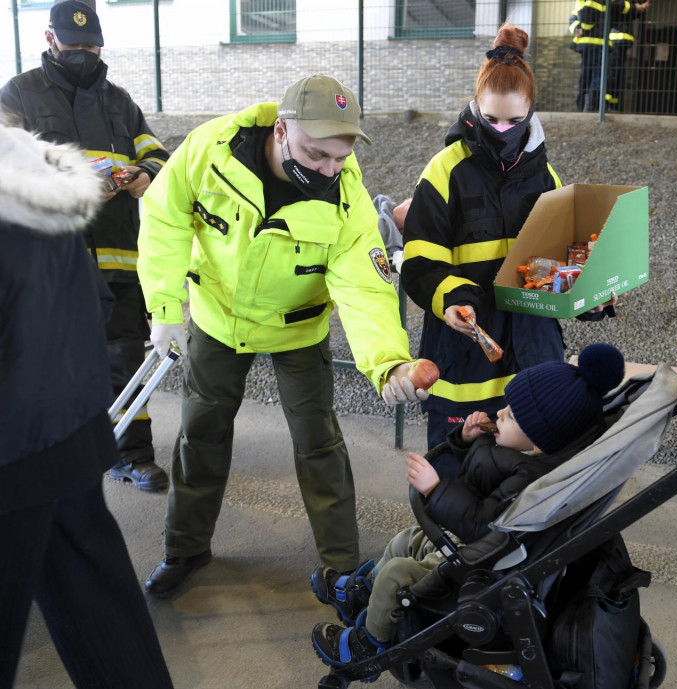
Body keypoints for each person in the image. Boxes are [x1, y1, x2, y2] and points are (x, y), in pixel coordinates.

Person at [136, 73, 429, 600]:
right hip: (217, 319)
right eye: (317, 155)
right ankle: (184, 548)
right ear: (280, 129)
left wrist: (388, 364)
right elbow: (164, 218)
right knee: (200, 433)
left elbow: (365, 286)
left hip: (298, 328)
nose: (328, 171)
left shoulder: (348, 202)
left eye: (339, 160)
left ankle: (342, 569)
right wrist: (163, 308)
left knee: (319, 442)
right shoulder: (210, 150)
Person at [307, 343, 626, 669]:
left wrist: (435, 489)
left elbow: (479, 522)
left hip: (479, 563)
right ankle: (363, 594)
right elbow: (479, 477)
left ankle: (368, 648)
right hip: (469, 543)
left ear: (540, 439)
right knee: (406, 539)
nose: (500, 413)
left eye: (512, 415)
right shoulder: (522, 452)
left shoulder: (530, 479)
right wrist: (465, 439)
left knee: (397, 575)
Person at [0, 124, 175, 689]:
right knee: (99, 606)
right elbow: (94, 300)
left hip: (13, 444)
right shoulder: (25, 166)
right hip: (69, 425)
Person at [402, 24, 614, 451]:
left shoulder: (547, 177)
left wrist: (594, 295)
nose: (502, 130)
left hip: (532, 358)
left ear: (532, 111)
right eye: (491, 118)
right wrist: (450, 300)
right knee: (455, 470)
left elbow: (561, 269)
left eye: (515, 121)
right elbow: (420, 262)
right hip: (465, 352)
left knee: (524, 479)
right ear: (475, 107)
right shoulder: (444, 170)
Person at [0, 0, 171, 492]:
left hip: (119, 255)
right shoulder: (19, 94)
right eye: (73, 46)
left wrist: (144, 175)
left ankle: (132, 455)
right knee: (53, 357)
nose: (82, 54)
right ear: (50, 39)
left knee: (126, 357)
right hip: (54, 259)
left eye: (91, 46)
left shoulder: (119, 101)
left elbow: (158, 155)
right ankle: (57, 458)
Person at [570, 0, 650, 111]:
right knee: (600, 76)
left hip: (593, 43)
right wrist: (634, 7)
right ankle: (593, 107)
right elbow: (613, 7)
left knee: (590, 76)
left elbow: (576, 17)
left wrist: (577, 28)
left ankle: (586, 106)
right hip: (599, 43)